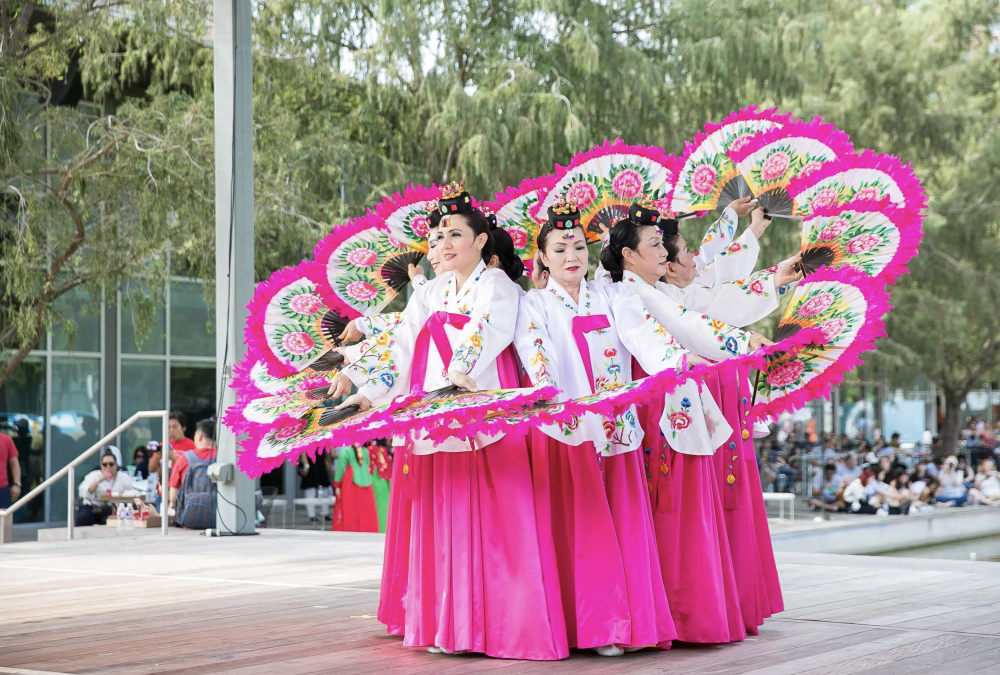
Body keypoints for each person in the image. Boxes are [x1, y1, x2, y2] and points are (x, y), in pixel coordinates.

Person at [337, 182, 568, 659]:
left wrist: (462, 369)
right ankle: (452, 626)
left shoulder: (497, 284)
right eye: (439, 235)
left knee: (499, 515)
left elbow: (489, 327)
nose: (444, 243)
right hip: (435, 407)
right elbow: (402, 342)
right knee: (445, 516)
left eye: (455, 234)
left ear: (481, 241)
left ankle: (507, 625)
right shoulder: (433, 290)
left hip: (481, 405)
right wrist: (367, 391)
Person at [600, 200, 774, 644]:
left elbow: (698, 307)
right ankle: (670, 614)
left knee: (675, 505)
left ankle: (676, 613)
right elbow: (675, 325)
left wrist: (737, 340)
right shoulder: (626, 291)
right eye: (655, 245)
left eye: (664, 245)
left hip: (669, 397)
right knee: (667, 504)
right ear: (628, 255)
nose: (665, 252)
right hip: (653, 403)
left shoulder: (649, 288)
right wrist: (731, 344)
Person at [514, 198, 677, 654]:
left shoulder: (613, 295)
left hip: (615, 424)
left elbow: (642, 334)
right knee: (580, 527)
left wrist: (673, 361)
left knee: (622, 524)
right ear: (543, 257)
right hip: (565, 426)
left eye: (579, 247)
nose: (572, 256)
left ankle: (623, 625)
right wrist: (548, 391)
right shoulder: (533, 303)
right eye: (560, 249)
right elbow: (536, 349)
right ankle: (591, 626)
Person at [167, 418, 217, 521]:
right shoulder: (224, 457)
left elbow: (173, 497)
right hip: (218, 518)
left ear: (199, 436)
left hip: (189, 518)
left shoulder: (185, 458)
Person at [76, 447, 134, 526]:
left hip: (111, 508)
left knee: (115, 519)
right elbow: (85, 492)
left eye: (111, 464)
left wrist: (119, 503)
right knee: (83, 517)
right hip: (93, 507)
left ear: (116, 466)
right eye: (105, 464)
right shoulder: (93, 475)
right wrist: (100, 480)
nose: (108, 467)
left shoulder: (124, 478)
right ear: (101, 466)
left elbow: (130, 493)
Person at [331, 444, 379, 532]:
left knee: (351, 512)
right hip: (366, 484)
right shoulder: (365, 451)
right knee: (366, 513)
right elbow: (368, 466)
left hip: (350, 485)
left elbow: (341, 470)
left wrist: (337, 485)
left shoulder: (345, 451)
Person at [298, 449, 333, 522]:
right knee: (311, 491)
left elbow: (326, 451)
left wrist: (329, 464)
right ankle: (312, 515)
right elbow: (303, 450)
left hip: (321, 463)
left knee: (325, 490)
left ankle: (325, 513)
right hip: (311, 463)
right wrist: (306, 464)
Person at [369, 440, 392, 533]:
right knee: (384, 506)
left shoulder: (369, 449)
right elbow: (387, 467)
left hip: (373, 479)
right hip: (383, 480)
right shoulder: (382, 449)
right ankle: (384, 528)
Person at [0, 431, 21, 509]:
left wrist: (17, 484)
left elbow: (15, 464)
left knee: (3, 516)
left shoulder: (6, 439)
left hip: (2, 490)